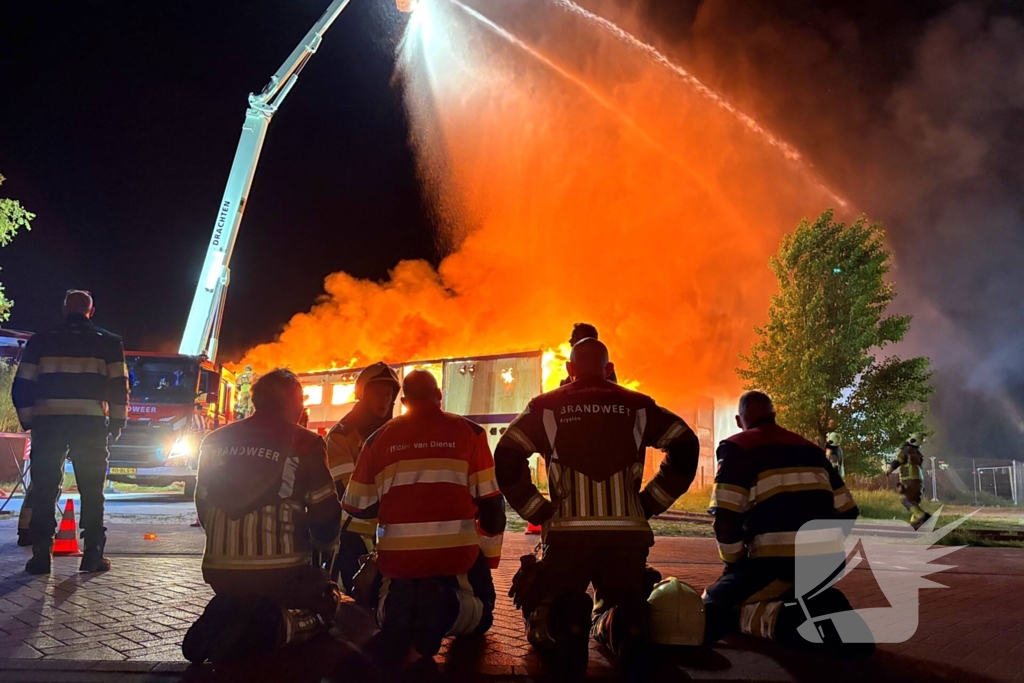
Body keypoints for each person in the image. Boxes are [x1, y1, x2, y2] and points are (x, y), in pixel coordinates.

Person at [495, 338, 700, 675]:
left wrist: (538, 511)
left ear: (570, 370)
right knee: (624, 603)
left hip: (567, 541)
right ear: (609, 370)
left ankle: (567, 623)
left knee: (551, 606)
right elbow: (684, 443)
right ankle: (628, 630)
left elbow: (507, 453)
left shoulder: (546, 407)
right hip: (627, 543)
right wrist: (648, 502)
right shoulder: (638, 405)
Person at [342, 370, 505, 679]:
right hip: (457, 561)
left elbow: (355, 506)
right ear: (439, 397)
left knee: (393, 604)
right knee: (482, 616)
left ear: (403, 401)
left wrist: (398, 501)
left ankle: (397, 611)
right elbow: (493, 509)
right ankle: (446, 605)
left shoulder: (378, 439)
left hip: (399, 562)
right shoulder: (470, 432)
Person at [183, 369, 342, 664]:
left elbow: (202, 502)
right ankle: (276, 628)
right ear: (295, 403)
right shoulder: (305, 441)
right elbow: (326, 512)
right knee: (327, 599)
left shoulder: (215, 440)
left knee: (243, 594)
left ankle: (228, 611)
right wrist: (322, 545)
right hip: (280, 572)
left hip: (219, 570)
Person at [703, 391, 860, 645]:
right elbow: (849, 510)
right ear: (773, 415)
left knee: (711, 606)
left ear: (738, 420)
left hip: (773, 566)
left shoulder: (738, 447)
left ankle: (784, 620)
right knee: (765, 590)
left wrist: (735, 566)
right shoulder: (811, 450)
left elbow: (725, 519)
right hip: (826, 566)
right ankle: (815, 603)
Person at [11, 290, 128, 574]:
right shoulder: (110, 343)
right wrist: (116, 425)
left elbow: (22, 386)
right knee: (92, 490)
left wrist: (31, 421)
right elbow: (119, 389)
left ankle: (41, 556)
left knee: (45, 488)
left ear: (64, 309)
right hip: (90, 427)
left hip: (49, 425)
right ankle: (93, 554)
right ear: (92, 311)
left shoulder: (40, 341)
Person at [324, 362, 400, 594]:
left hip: (394, 532)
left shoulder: (396, 432)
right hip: (353, 533)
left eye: (389, 394)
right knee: (366, 589)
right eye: (378, 393)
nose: (384, 400)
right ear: (363, 394)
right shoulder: (340, 436)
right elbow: (348, 492)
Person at [887, 434, 930, 530]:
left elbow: (897, 462)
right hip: (919, 481)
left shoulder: (905, 450)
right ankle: (915, 524)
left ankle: (923, 516)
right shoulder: (917, 453)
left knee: (905, 499)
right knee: (914, 502)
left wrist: (888, 470)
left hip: (908, 481)